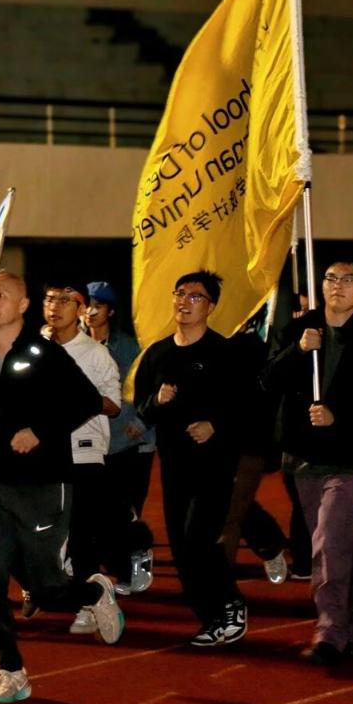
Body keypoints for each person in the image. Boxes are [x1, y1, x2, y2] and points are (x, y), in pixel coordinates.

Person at [0, 271, 124, 704]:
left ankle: (94, 591)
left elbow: (86, 401)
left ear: (22, 306)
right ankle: (11, 671)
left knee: (46, 588)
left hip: (44, 483)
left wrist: (40, 431)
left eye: (1, 295)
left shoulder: (44, 353)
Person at [264, 258, 353, 666]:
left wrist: (337, 417)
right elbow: (266, 381)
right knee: (336, 544)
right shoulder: (298, 330)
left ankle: (330, 633)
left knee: (327, 544)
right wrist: (298, 351)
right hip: (304, 457)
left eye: (349, 279)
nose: (338, 285)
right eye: (330, 278)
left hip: (350, 457)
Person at [134, 270, 246, 647]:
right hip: (174, 464)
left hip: (214, 465)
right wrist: (157, 400)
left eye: (195, 296)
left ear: (210, 307)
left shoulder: (224, 353)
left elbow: (247, 407)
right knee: (182, 548)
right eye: (180, 293)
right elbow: (143, 410)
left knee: (199, 539)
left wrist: (215, 425)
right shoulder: (158, 354)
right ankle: (211, 618)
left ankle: (230, 606)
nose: (184, 301)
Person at [41, 279, 121, 635]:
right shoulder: (34, 348)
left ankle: (90, 603)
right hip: (42, 453)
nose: (55, 307)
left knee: (80, 534)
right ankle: (49, 588)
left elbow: (114, 405)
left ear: (80, 309)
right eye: (49, 299)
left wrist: (78, 400)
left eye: (64, 300)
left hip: (83, 453)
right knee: (41, 531)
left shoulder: (95, 353)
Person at [83, 280, 156, 594]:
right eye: (87, 305)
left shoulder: (128, 347)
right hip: (95, 443)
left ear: (111, 312)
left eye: (98, 306)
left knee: (124, 511)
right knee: (99, 512)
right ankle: (117, 563)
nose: (90, 312)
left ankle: (139, 557)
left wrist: (141, 423)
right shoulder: (76, 345)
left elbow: (147, 388)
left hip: (131, 442)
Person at [221, 314, 290, 584]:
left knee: (232, 510)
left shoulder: (254, 350)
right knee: (223, 505)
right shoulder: (201, 344)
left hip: (248, 443)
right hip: (209, 444)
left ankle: (220, 582)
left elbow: (268, 399)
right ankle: (270, 542)